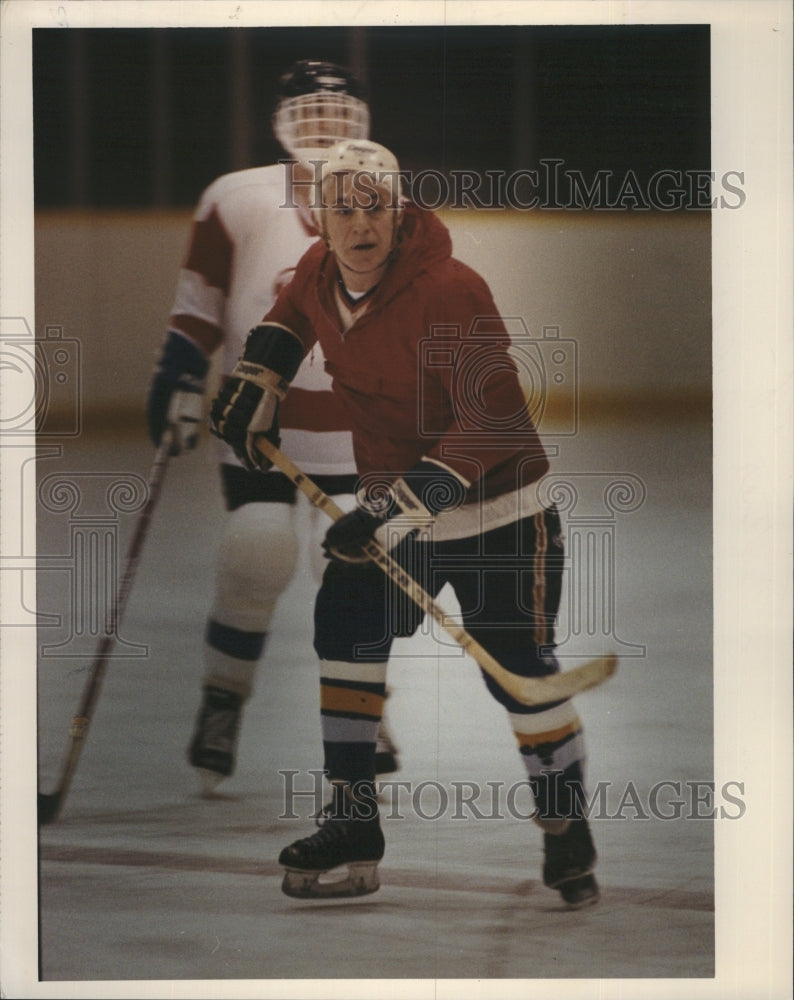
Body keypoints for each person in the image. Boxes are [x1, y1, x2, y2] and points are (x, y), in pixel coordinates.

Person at [210, 139, 600, 908]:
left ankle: (565, 822)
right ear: (318, 217)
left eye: (376, 207)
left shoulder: (450, 290)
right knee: (346, 625)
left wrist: (386, 508)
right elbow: (285, 325)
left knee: (518, 678)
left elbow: (490, 422)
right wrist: (255, 388)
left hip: (502, 516)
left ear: (398, 210)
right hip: (403, 513)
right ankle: (354, 818)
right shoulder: (319, 275)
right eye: (343, 209)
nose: (361, 225)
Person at [146, 61, 400, 795]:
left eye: (338, 112)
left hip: (357, 429)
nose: (324, 128)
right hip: (256, 421)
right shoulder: (236, 198)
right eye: (309, 113)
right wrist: (178, 375)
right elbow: (199, 303)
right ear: (282, 119)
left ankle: (366, 711)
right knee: (255, 552)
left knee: (354, 572)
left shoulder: (386, 198)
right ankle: (222, 704)